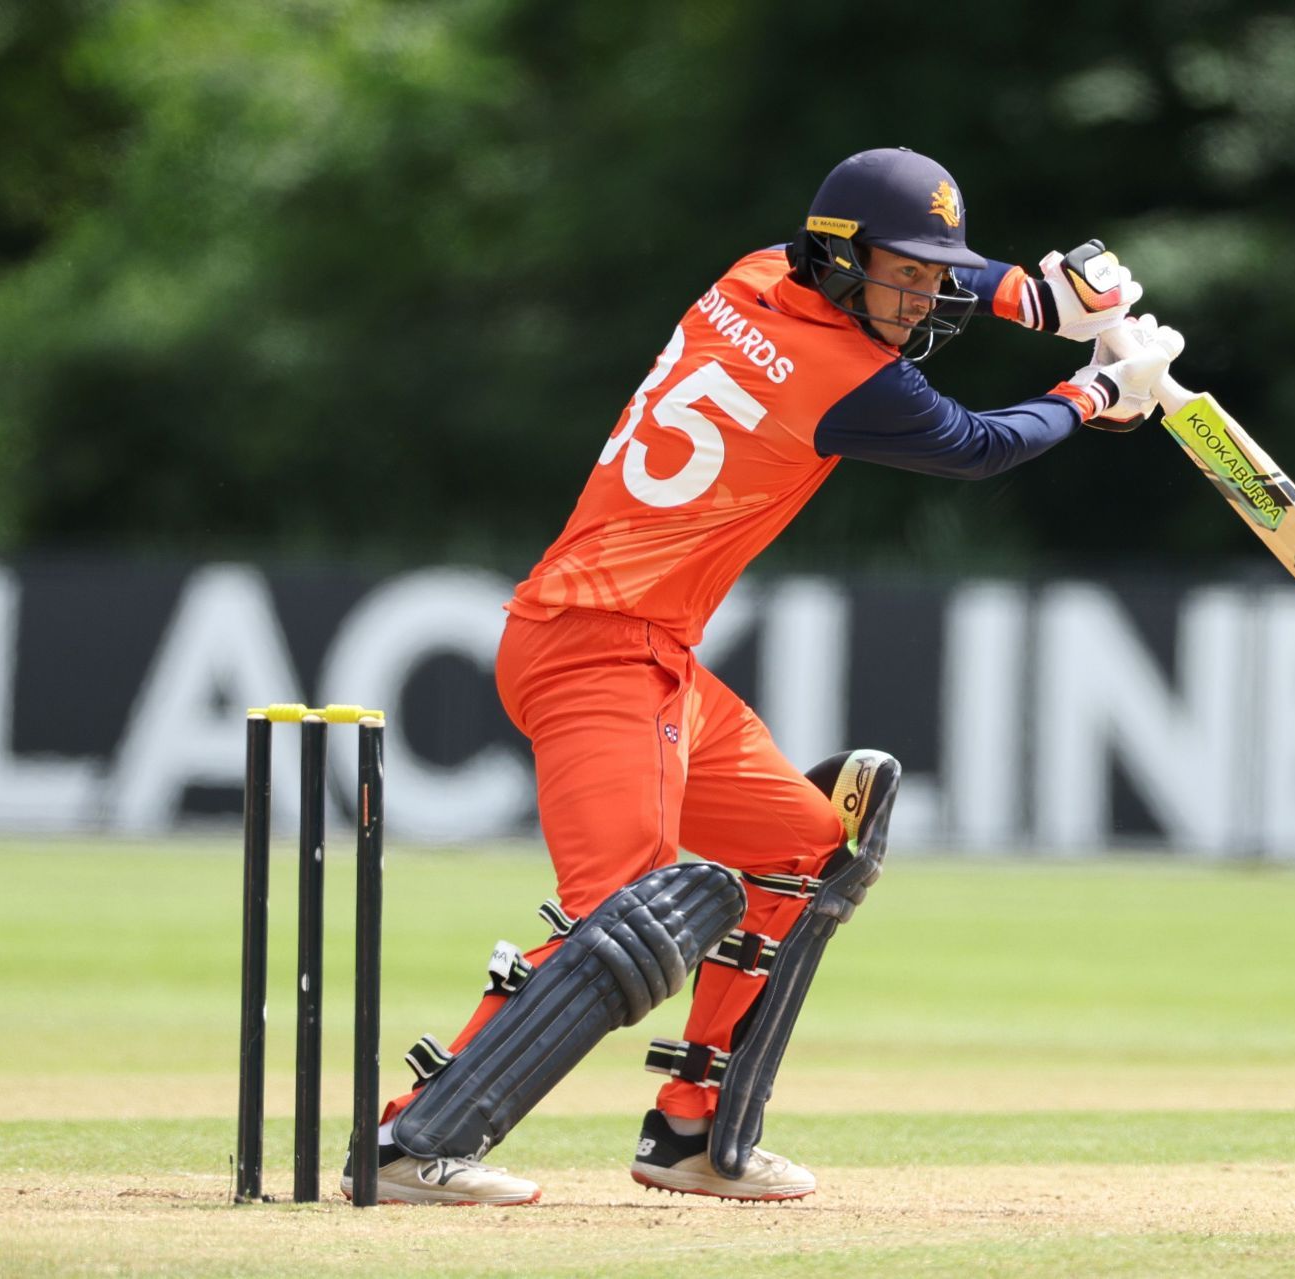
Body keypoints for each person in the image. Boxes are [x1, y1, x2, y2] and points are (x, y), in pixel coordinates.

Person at [341, 147, 1183, 1206]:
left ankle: (690, 1133)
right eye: (906, 273)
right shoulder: (850, 379)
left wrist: (1039, 295)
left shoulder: (752, 275)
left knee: (804, 847)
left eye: (938, 273)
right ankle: (412, 1142)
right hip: (600, 648)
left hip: (646, 651)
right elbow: (977, 446)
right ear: (840, 262)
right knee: (629, 919)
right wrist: (1094, 389)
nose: (924, 293)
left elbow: (922, 270)